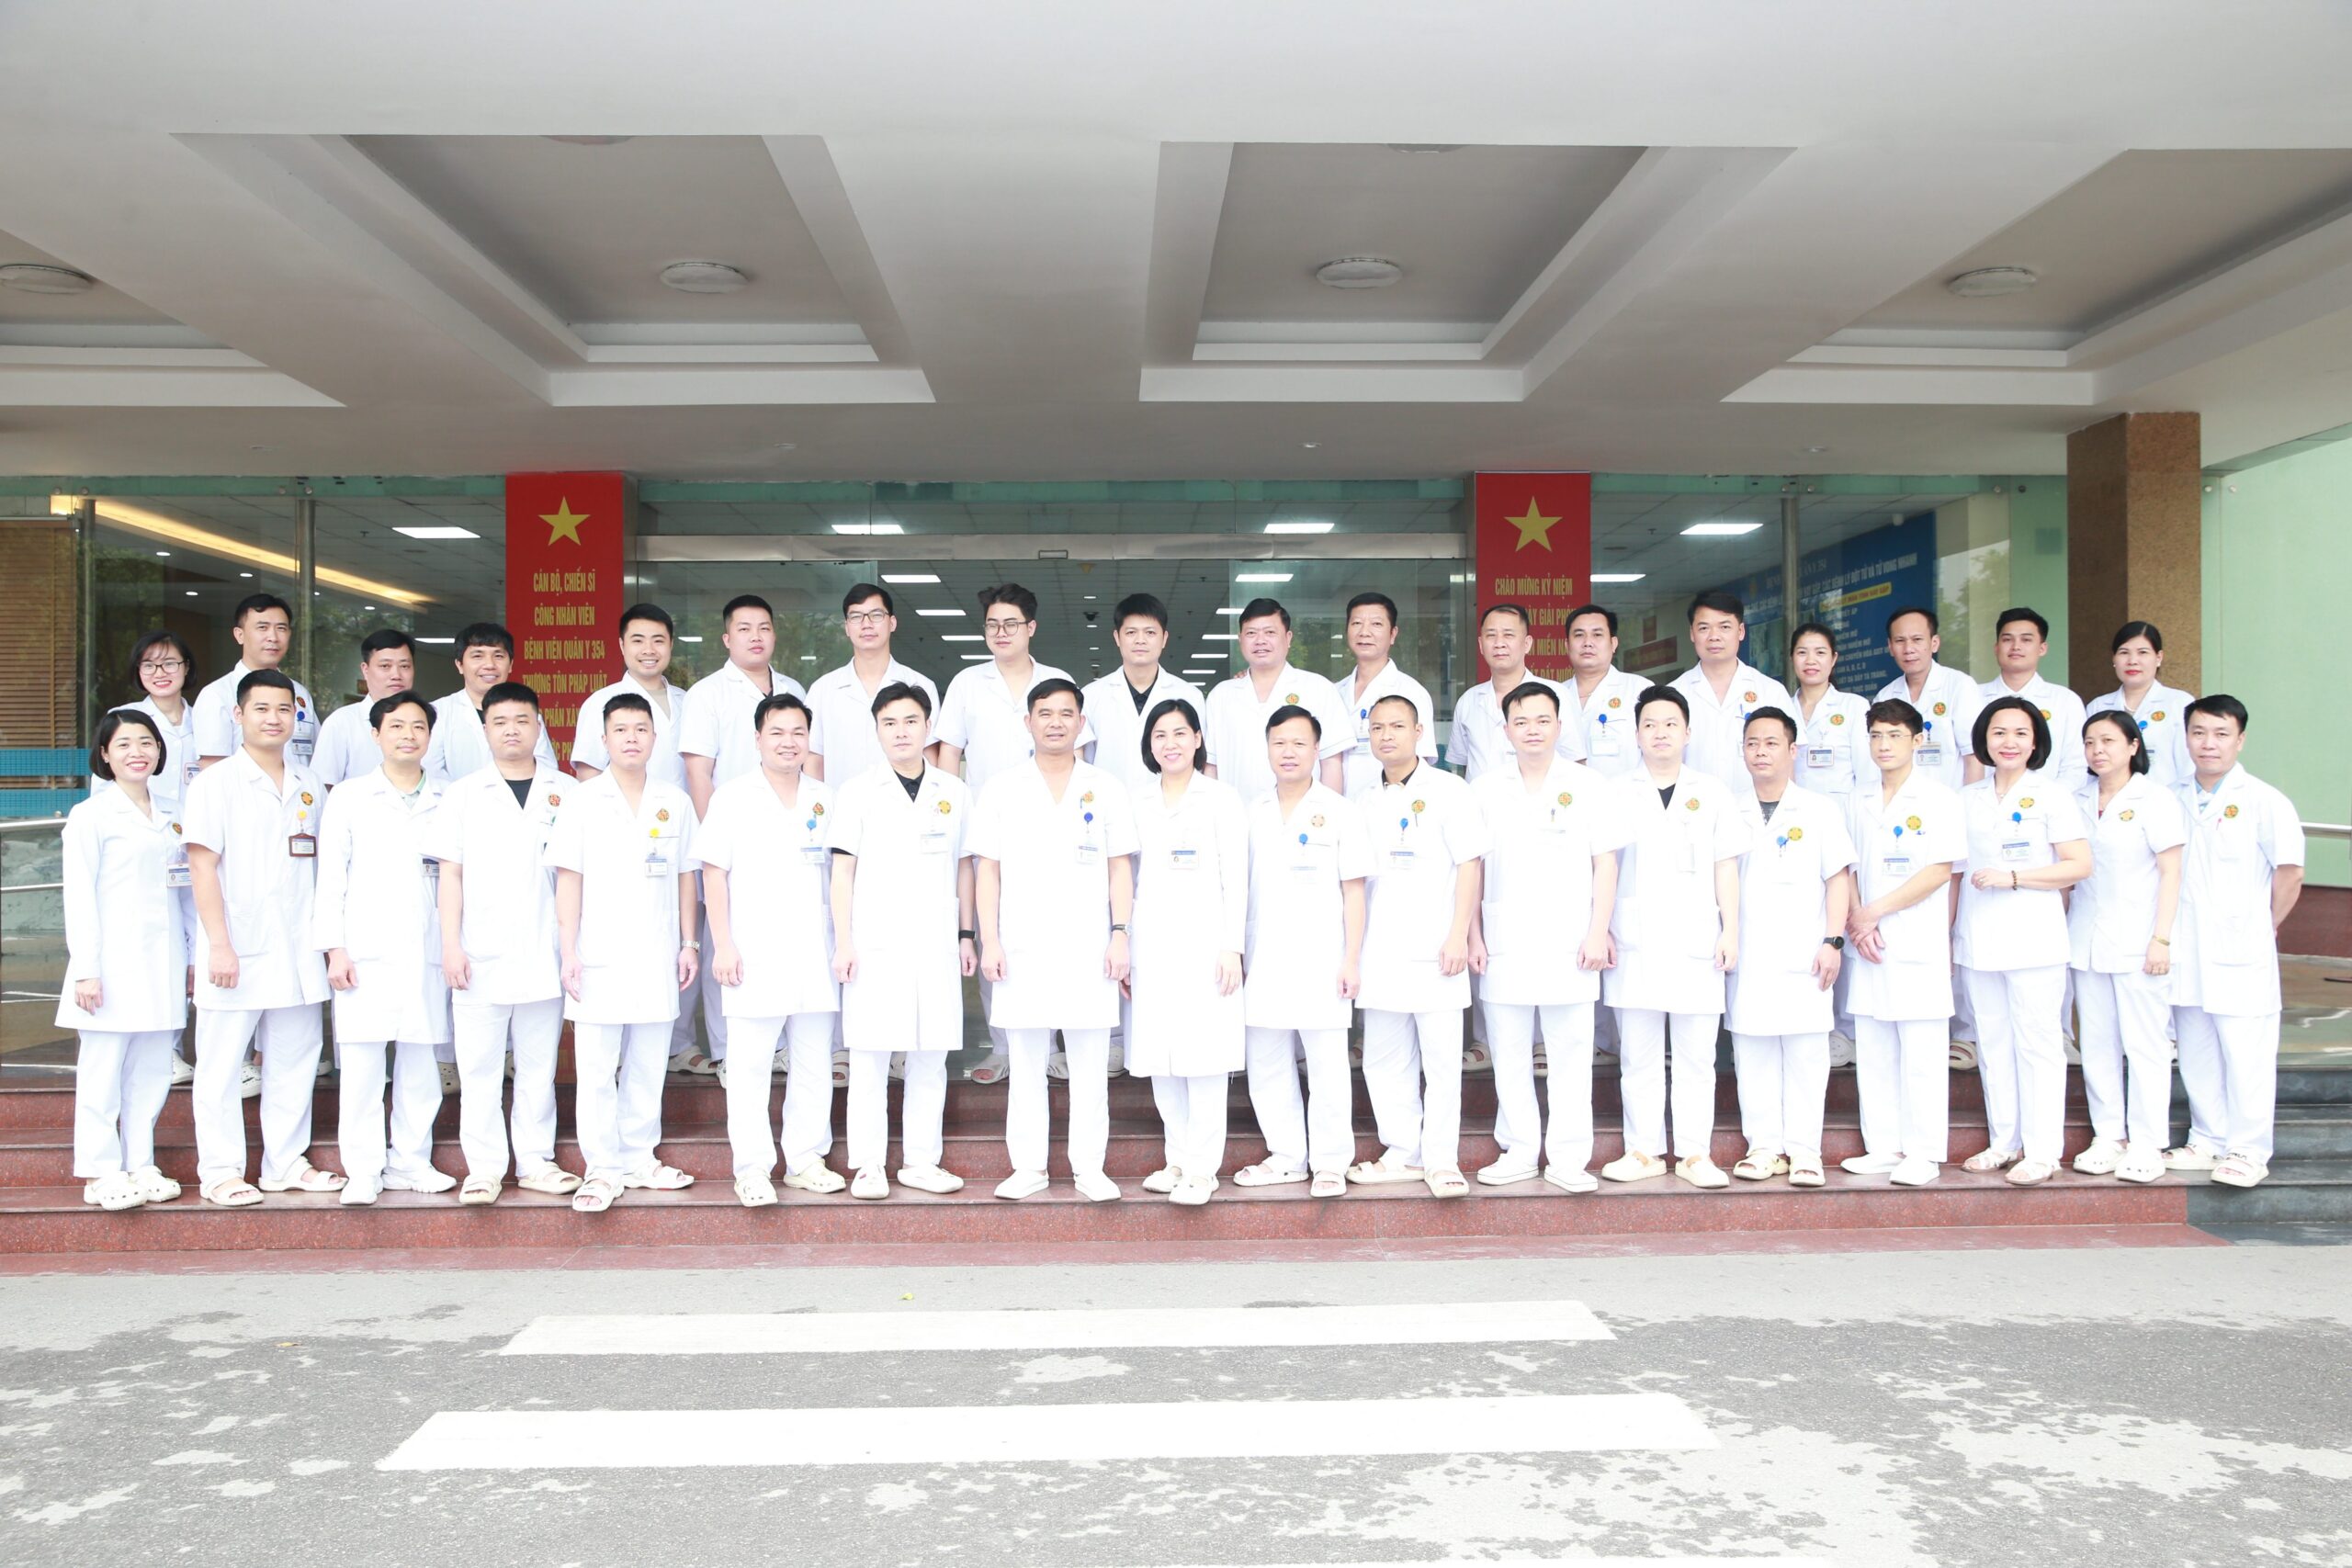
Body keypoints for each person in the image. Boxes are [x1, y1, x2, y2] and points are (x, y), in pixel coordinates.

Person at [971, 678, 1137, 1201]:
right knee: (1026, 1062)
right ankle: (1029, 1168)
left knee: (1089, 1063)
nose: (1056, 722)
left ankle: (1089, 1167)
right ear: (1028, 722)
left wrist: (1120, 935)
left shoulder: (1106, 787)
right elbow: (987, 871)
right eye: (1045, 713)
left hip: (1090, 944)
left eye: (1067, 713)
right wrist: (990, 940)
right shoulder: (1002, 787)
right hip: (1021, 946)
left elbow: (1120, 869)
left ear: (1081, 722)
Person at [183, 670, 339, 1205]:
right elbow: (203, 870)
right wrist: (219, 944)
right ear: (238, 715)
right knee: (223, 1064)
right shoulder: (215, 784)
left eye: (283, 709)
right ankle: (222, 1170)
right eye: (261, 709)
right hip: (238, 947)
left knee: (295, 1059)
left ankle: (284, 1163)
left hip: (298, 949)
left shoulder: (310, 783)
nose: (273, 718)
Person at [424, 681, 580, 1205]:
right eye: (500, 722)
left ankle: (536, 1160)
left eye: (522, 720)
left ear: (539, 726)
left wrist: (574, 950)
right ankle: (485, 1167)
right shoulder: (463, 794)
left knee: (539, 1065)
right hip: (479, 953)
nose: (512, 730)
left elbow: (579, 878)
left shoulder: (567, 791)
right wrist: (450, 946)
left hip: (547, 953)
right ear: (485, 729)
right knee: (480, 1068)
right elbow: (450, 876)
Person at [1467, 682, 1625, 1191]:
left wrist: (1599, 930)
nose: (1532, 730)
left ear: (1560, 726)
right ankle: (1517, 1150)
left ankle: (1568, 1158)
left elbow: (1606, 862)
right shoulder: (1486, 788)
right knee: (1510, 1051)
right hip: (1505, 938)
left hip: (1570, 939)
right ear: (1506, 729)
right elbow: (1470, 869)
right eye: (1521, 721)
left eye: (1542, 720)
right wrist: (1472, 933)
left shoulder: (1588, 785)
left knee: (1570, 1053)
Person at [547, 692, 700, 1213]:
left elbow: (685, 878)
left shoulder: (672, 800)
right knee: (596, 1067)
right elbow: (569, 878)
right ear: (604, 739)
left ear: (655, 739)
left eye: (642, 729)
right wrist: (568, 950)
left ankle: (639, 1156)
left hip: (658, 953)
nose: (632, 738)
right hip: (597, 954)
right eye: (622, 730)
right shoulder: (583, 799)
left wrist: (689, 942)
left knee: (648, 1062)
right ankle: (601, 1167)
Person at [937, 585, 1091, 1086]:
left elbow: (1080, 757)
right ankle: (1004, 1047)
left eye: (1011, 624)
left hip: (1054, 830)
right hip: (988, 827)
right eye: (992, 625)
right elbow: (946, 756)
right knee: (992, 934)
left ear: (1032, 628)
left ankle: (1052, 1045)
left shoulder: (1056, 681)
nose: (1001, 634)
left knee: (1057, 935)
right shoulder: (966, 682)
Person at [827, 682, 976, 1201]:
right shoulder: (857, 791)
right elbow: (842, 872)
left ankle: (920, 1161)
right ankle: (867, 1164)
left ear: (928, 727)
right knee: (869, 1055)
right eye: (889, 723)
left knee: (930, 1054)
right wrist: (844, 940)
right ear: (876, 730)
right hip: (874, 941)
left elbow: (963, 869)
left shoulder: (953, 791)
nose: (901, 731)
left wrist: (965, 933)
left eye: (911, 721)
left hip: (935, 940)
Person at [311, 691, 457, 1204]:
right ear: (375, 735)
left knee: (421, 1063)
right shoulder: (350, 797)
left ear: (429, 736)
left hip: (427, 946)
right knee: (363, 1066)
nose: (408, 735)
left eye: (418, 727)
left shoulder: (448, 796)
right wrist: (333, 948)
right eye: (396, 726)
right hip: (364, 947)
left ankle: (410, 1163)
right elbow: (329, 877)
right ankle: (364, 1169)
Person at [1600, 686, 1745, 1189]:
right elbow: (1603, 867)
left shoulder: (1713, 790)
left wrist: (1731, 929)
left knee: (1695, 1056)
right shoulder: (1615, 791)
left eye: (1669, 724)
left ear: (1688, 731)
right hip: (1634, 938)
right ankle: (1642, 1150)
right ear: (1636, 734)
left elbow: (1726, 864)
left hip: (1698, 938)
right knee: (1637, 1055)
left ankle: (1694, 1154)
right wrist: (1602, 930)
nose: (1660, 733)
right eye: (1649, 725)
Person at [700, 693, 842, 1206]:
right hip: (752, 951)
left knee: (813, 1061)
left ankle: (805, 1158)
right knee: (750, 1065)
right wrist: (723, 944)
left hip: (813, 950)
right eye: (777, 732)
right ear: (757, 738)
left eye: (798, 732)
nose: (788, 742)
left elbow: (841, 876)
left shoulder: (826, 797)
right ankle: (753, 1167)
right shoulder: (732, 797)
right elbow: (713, 872)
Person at [1348, 694, 1487, 1198]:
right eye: (1377, 727)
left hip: (1437, 947)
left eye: (1397, 726)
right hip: (1381, 947)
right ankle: (1402, 1151)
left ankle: (1442, 1159)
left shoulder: (1450, 790)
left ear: (1419, 730)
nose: (1386, 736)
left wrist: (1459, 934)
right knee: (1384, 1057)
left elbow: (1470, 865)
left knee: (1442, 1059)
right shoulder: (1363, 800)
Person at [2165, 695, 2306, 1189]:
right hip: (2186, 946)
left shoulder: (2266, 800)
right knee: (2197, 1045)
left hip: (2241, 946)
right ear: (2186, 738)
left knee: (2246, 1052)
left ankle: (2248, 1149)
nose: (2209, 743)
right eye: (2199, 732)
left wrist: (2261, 926)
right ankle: (2207, 1137)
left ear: (2240, 740)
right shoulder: (2169, 795)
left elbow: (2290, 873)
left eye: (2221, 734)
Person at [1952, 697, 2092, 1185]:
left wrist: (2015, 877)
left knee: (2037, 1043)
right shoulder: (1966, 797)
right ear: (1984, 741)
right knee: (1993, 1040)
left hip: (2034, 938)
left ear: (2035, 742)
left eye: (2019, 733)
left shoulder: (2052, 796)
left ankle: (2043, 1150)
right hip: (1978, 938)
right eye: (1998, 732)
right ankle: (2004, 1141)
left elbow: (2078, 865)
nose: (2008, 742)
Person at [1233, 706, 1369, 1197]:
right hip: (1263, 954)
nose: (1288, 753)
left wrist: (1352, 958)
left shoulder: (1340, 810)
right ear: (1266, 749)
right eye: (1279, 743)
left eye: (1299, 743)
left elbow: (1355, 891)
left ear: (1317, 750)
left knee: (1327, 1064)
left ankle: (1331, 1160)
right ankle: (1287, 1156)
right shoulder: (1249, 812)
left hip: (1322, 957)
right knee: (1267, 1061)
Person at [58, 710, 187, 1211]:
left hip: (164, 959)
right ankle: (99, 1170)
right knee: (103, 1070)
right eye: (125, 743)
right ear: (105, 754)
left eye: (147, 742)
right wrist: (86, 968)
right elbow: (79, 896)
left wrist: (195, 956)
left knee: (153, 1069)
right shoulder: (91, 815)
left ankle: (140, 1162)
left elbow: (186, 892)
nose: (138, 751)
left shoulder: (175, 811)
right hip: (109, 963)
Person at [1124, 697, 1248, 1206]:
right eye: (1160, 735)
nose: (1170, 743)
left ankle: (1203, 1168)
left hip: (1206, 945)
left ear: (1198, 740)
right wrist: (1125, 944)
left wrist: (1231, 947)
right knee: (1161, 1057)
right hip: (1151, 944)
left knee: (1204, 1057)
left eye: (1180, 733)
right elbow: (1125, 879)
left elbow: (1236, 878)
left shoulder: (1221, 799)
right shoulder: (1138, 801)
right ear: (1149, 746)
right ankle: (1176, 1158)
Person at [1726, 708, 1857, 1188]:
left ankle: (1804, 1151)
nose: (1760, 751)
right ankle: (1764, 1146)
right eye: (1752, 743)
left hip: (1807, 949)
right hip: (1750, 951)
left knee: (1805, 1053)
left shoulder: (1819, 809)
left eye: (1771, 743)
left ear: (1792, 750)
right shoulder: (1730, 808)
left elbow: (1838, 878)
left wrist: (1832, 940)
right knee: (1753, 1051)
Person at [677, 594, 808, 1076]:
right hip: (732, 834)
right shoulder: (708, 693)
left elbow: (806, 759)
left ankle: (780, 1047)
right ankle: (728, 1050)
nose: (756, 636)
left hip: (790, 836)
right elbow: (698, 771)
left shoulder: (792, 688)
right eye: (745, 628)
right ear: (727, 638)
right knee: (723, 943)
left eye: (765, 628)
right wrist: (719, 844)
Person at [1841, 699, 1964, 1186]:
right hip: (1867, 940)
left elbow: (1938, 871)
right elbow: (1847, 866)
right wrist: (1858, 919)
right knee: (1873, 1045)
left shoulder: (1939, 799)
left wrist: (1874, 912)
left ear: (1917, 741)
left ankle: (1925, 1151)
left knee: (1921, 1050)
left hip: (1914, 940)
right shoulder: (1858, 797)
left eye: (1894, 735)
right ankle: (1884, 1146)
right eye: (1875, 735)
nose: (1883, 744)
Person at [2068, 709, 2186, 1184]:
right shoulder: (2074, 798)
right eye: (2091, 742)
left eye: (2109, 742)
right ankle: (2108, 1135)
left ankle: (2147, 1142)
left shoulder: (2155, 799)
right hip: (2086, 938)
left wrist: (2161, 938)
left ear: (2133, 747)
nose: (2099, 750)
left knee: (2146, 1043)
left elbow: (2172, 872)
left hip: (2140, 940)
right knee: (2096, 1041)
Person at [94, 631, 210, 1089]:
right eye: (149, 666)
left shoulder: (205, 721)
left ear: (186, 669)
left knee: (193, 943)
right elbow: (104, 790)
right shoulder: (125, 721)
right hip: (143, 847)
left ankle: (185, 1044)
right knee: (150, 945)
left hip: (195, 843)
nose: (160, 674)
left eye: (170, 664)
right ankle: (168, 1051)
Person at [1203, 598, 1352, 801]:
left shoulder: (1317, 688)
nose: (1260, 640)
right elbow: (1211, 766)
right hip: (1236, 818)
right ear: (1240, 639)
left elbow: (1331, 761)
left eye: (1270, 632)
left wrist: (1327, 817)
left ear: (1288, 637)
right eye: (1251, 633)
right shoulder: (1221, 695)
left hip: (1304, 819)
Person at [807, 583, 940, 786]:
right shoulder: (822, 690)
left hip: (906, 810)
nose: (866, 624)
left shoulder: (921, 685)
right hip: (841, 810)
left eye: (876, 615)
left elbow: (930, 756)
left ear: (892, 623)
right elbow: (814, 759)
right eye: (856, 617)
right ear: (847, 627)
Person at [1082, 593, 1204, 799]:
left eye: (1150, 632)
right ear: (1117, 638)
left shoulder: (1189, 695)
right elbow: (1084, 764)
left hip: (1171, 810)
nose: (1140, 640)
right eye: (1131, 632)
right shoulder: (1091, 696)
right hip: (1108, 809)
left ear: (1164, 638)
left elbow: (1198, 761)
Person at [1670, 591, 1794, 790]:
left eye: (1725, 627)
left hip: (1755, 810)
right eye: (1704, 628)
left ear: (1741, 631)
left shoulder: (1770, 691)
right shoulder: (1674, 695)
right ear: (1692, 633)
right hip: (1692, 811)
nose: (1714, 637)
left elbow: (1788, 763)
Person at [1451, 604, 1578, 784]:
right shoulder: (1468, 701)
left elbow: (1575, 760)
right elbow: (1463, 764)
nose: (1499, 643)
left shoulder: (1556, 694)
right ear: (1481, 644)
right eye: (1491, 635)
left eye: (1508, 635)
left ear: (1527, 644)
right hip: (1481, 807)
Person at [193, 593, 318, 769]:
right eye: (262, 627)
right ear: (239, 635)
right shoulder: (216, 695)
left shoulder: (300, 693)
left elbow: (315, 757)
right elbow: (212, 769)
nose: (273, 637)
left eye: (281, 628)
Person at [573, 603, 692, 789]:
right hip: (626, 814)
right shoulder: (600, 702)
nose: (649, 650)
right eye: (638, 641)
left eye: (658, 641)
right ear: (622, 645)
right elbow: (589, 771)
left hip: (683, 812)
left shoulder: (688, 700)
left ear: (671, 644)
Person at [424, 622, 558, 784]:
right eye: (478, 656)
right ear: (459, 665)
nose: (489, 665)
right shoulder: (437, 712)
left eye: (498, 656)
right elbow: (430, 773)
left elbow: (547, 769)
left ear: (511, 665)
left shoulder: (526, 713)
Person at [1339, 592, 1439, 795]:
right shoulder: (1334, 692)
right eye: (1356, 623)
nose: (1364, 632)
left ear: (1393, 634)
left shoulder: (1411, 692)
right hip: (1340, 809)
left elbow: (1422, 766)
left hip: (1390, 807)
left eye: (1376, 624)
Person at [1873, 606, 1983, 793]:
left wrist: (1968, 809)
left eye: (1917, 640)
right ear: (1890, 647)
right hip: (1900, 805)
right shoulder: (1885, 696)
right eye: (1900, 641)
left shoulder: (1959, 686)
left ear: (1934, 643)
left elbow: (1974, 757)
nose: (1908, 649)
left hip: (1948, 804)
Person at [1981, 607, 2086, 793]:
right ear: (1996, 648)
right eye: (2007, 639)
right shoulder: (1974, 696)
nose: (2016, 646)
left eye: (2026, 640)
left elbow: (2076, 767)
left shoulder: (2066, 701)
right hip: (1985, 804)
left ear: (2042, 648)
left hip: (2047, 809)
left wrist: (2043, 801)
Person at [2086, 621, 2196, 789]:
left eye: (2142, 652)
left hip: (2163, 804)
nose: (2132, 661)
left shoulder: (2179, 703)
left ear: (2158, 658)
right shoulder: (2098, 706)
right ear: (2114, 658)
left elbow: (2188, 766)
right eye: (2124, 653)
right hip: (2109, 805)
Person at [311, 629, 419, 788]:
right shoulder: (342, 722)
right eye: (385, 666)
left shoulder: (429, 720)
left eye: (404, 666)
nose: (396, 674)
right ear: (365, 670)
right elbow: (323, 786)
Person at [1788, 622, 1872, 804]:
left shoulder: (1854, 707)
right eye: (1802, 652)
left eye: (1820, 652)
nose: (1810, 660)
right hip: (1793, 815)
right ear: (1792, 658)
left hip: (1842, 816)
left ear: (1833, 659)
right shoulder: (1782, 709)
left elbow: (1868, 774)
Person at [1561, 604, 1648, 781]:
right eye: (1579, 635)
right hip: (1566, 801)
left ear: (1613, 643)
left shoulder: (1640, 690)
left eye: (1597, 634)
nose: (1587, 643)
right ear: (1567, 645)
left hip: (1625, 799)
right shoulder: (1555, 695)